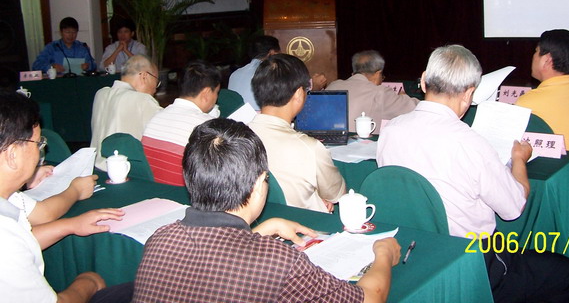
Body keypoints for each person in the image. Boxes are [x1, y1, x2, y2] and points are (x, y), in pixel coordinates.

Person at [377, 45, 569, 303]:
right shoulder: (471, 143)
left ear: (424, 81)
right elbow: (514, 207)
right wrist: (519, 160)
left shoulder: (391, 130)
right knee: (565, 273)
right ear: (469, 94)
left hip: (411, 249)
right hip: (469, 260)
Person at [133, 118, 400, 302]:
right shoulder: (277, 262)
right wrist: (384, 254)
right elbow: (369, 298)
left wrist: (260, 231)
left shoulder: (160, 240)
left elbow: (213, 259)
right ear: (260, 184)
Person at [0, 91, 129, 302]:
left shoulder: (8, 198)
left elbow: (24, 240)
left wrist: (70, 225)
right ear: (13, 155)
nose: (39, 154)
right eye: (37, 144)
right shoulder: (4, 240)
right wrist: (90, 282)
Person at [248, 53, 345, 213]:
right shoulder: (310, 148)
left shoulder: (238, 137)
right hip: (303, 224)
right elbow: (336, 194)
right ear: (299, 94)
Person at [516, 29, 569, 173]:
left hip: (557, 176)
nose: (533, 56)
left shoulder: (529, 102)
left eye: (536, 52)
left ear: (546, 60)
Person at [142, 60, 222, 185]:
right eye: (216, 92)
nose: (216, 98)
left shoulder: (156, 117)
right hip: (183, 193)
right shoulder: (206, 127)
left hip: (153, 188)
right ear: (206, 93)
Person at [90, 55, 161, 170]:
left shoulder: (100, 94)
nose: (155, 89)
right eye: (156, 82)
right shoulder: (142, 100)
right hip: (124, 172)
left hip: (95, 169)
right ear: (144, 76)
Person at [326, 50, 417, 133]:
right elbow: (416, 109)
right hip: (359, 145)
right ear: (377, 74)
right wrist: (404, 97)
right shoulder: (379, 93)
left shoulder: (333, 85)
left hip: (325, 143)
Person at [229, 35, 327, 110]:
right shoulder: (272, 73)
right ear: (272, 53)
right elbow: (291, 100)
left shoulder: (235, 74)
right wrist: (313, 86)